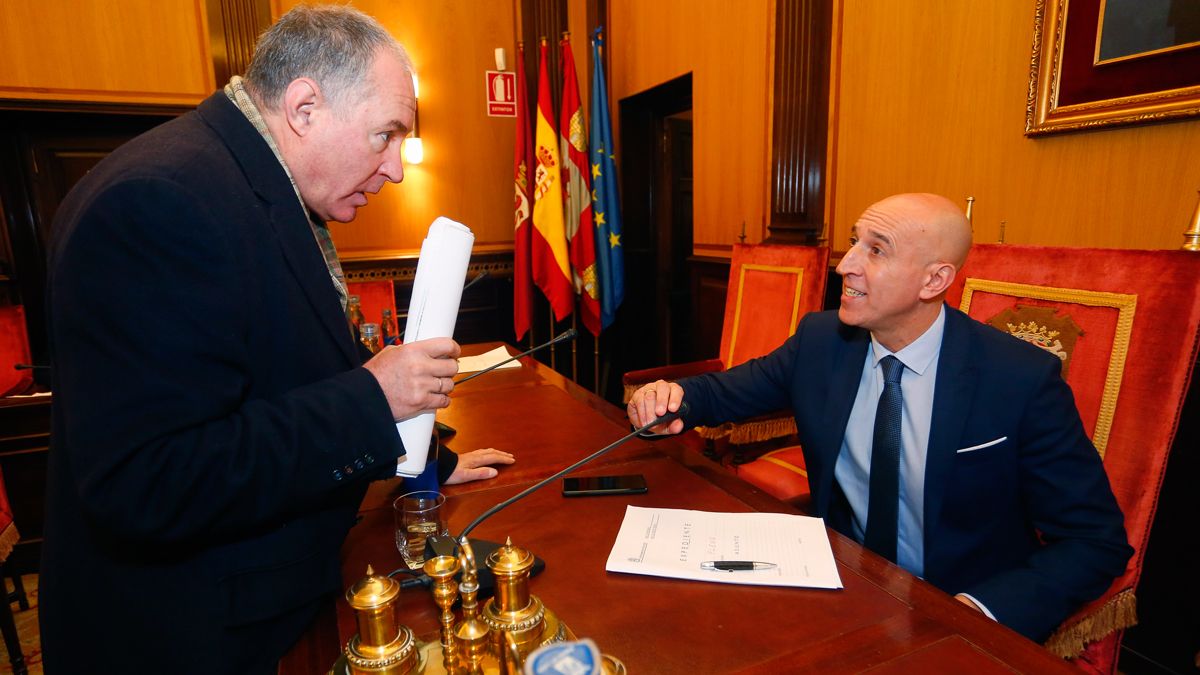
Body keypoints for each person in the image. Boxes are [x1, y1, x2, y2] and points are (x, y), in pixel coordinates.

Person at [40, 6, 512, 673]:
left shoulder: (247, 183)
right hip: (192, 639)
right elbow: (148, 481)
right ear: (305, 106)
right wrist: (372, 403)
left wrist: (419, 459)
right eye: (385, 135)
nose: (397, 168)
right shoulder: (159, 200)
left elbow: (284, 372)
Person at [628, 193, 1132, 643]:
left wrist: (979, 612)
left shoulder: (1018, 379)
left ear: (934, 280)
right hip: (842, 587)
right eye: (853, 243)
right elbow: (726, 391)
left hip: (959, 612)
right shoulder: (822, 341)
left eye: (876, 250)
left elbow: (1093, 541)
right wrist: (672, 396)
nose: (846, 264)